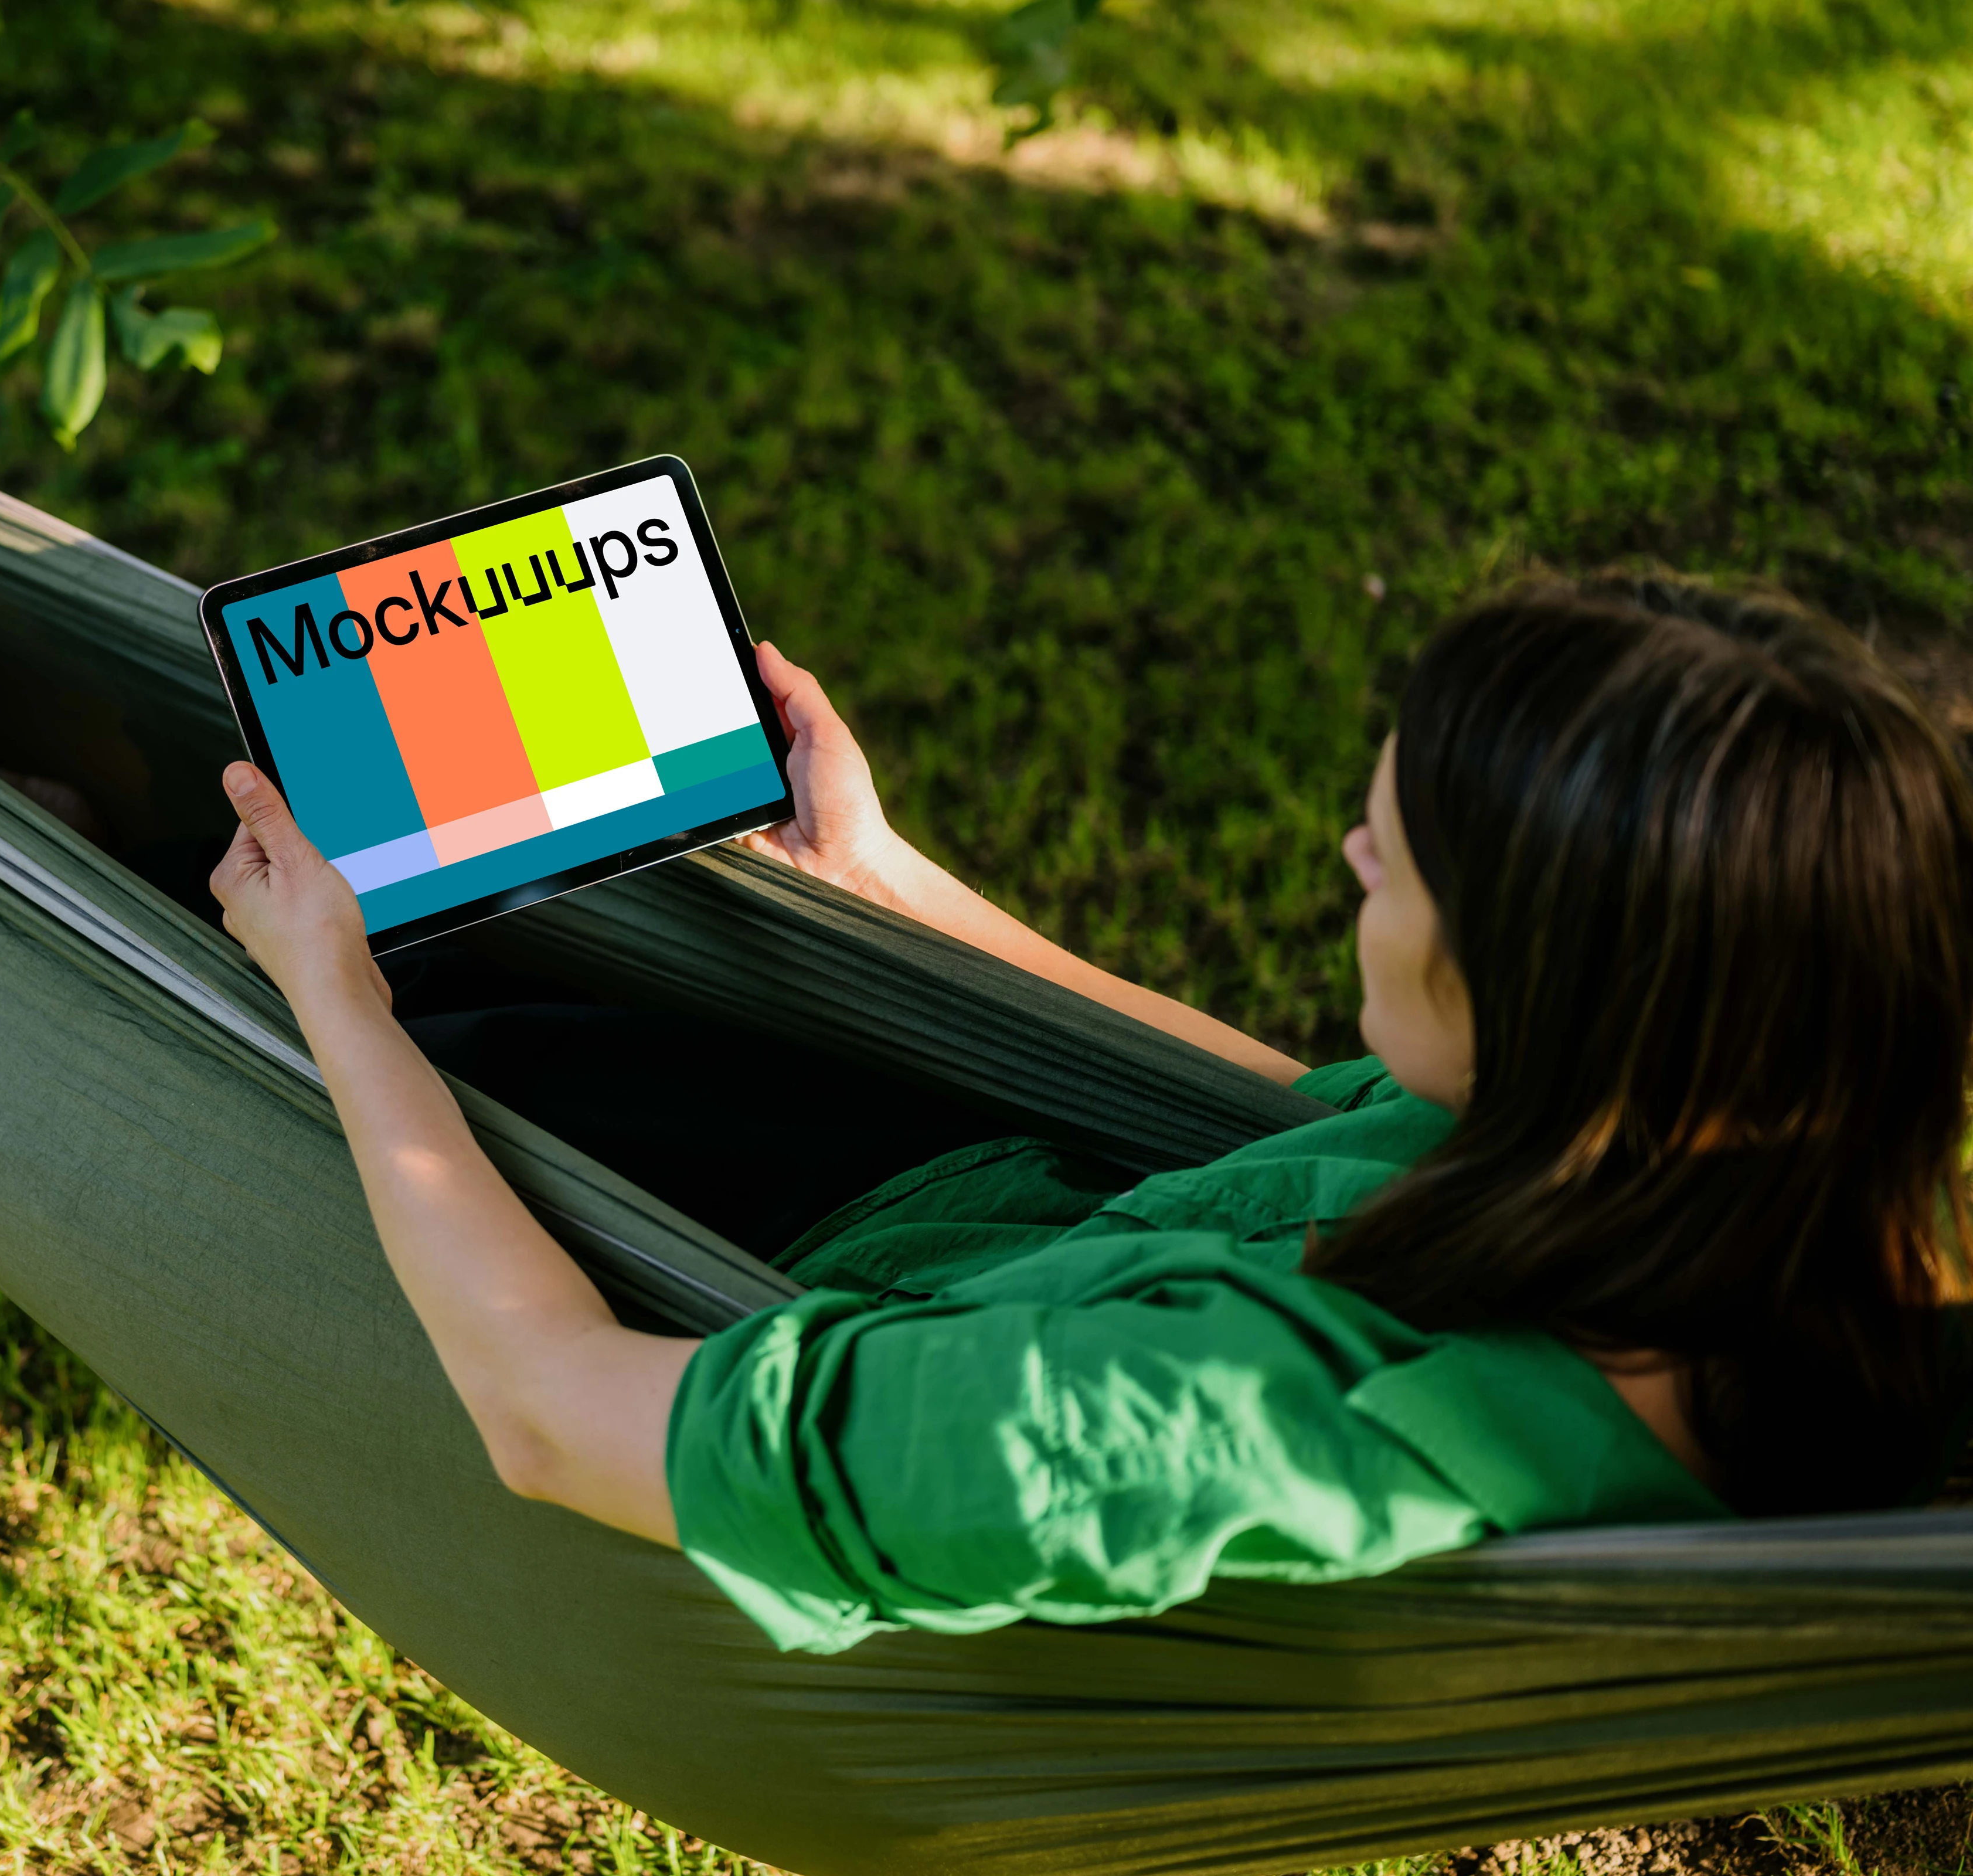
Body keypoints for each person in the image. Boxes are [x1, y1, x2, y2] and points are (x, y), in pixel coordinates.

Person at [206, 575, 1973, 1653]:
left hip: (780, 1307)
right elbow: (1280, 1120)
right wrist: (894, 885)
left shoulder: (1163, 1432)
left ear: (1553, 1007)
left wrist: (339, 1003)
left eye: (1398, 860)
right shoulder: (1745, 1182)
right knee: (529, 930)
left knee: (312, 1009)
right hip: (1003, 1212)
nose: (1354, 854)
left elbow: (549, 1418)